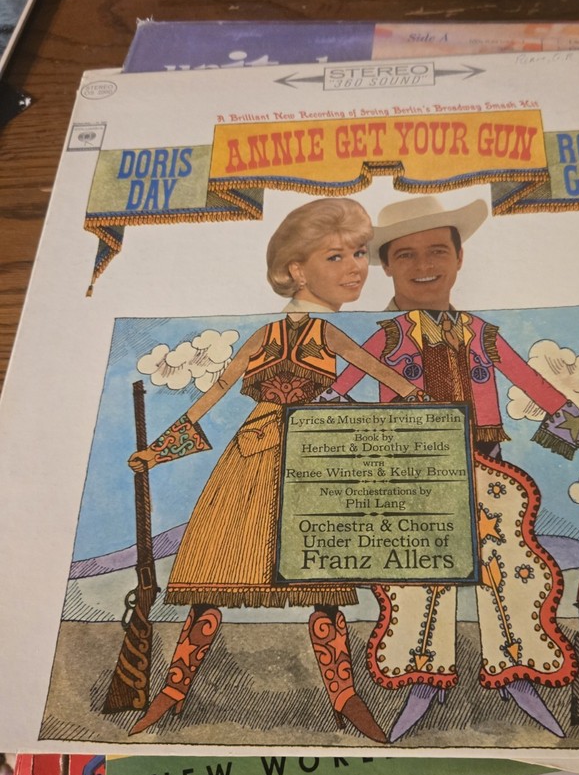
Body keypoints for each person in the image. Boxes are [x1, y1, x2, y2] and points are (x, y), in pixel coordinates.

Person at [322, 194, 579, 741]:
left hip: (488, 470)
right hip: (411, 473)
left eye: (437, 250)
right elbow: (337, 394)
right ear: (386, 265)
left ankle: (518, 674)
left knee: (509, 570)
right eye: (405, 254)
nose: (424, 265)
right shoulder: (387, 336)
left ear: (459, 259)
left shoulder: (482, 333)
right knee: (416, 578)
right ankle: (421, 681)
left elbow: (533, 385)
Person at [127, 197, 422, 743]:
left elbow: (387, 376)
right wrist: (158, 452)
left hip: (313, 457)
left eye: (360, 253)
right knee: (215, 578)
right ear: (296, 270)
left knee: (324, 583)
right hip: (252, 457)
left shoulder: (329, 334)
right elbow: (215, 393)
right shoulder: (263, 336)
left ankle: (345, 699)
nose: (357, 267)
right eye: (336, 256)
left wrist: (431, 415)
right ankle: (171, 693)